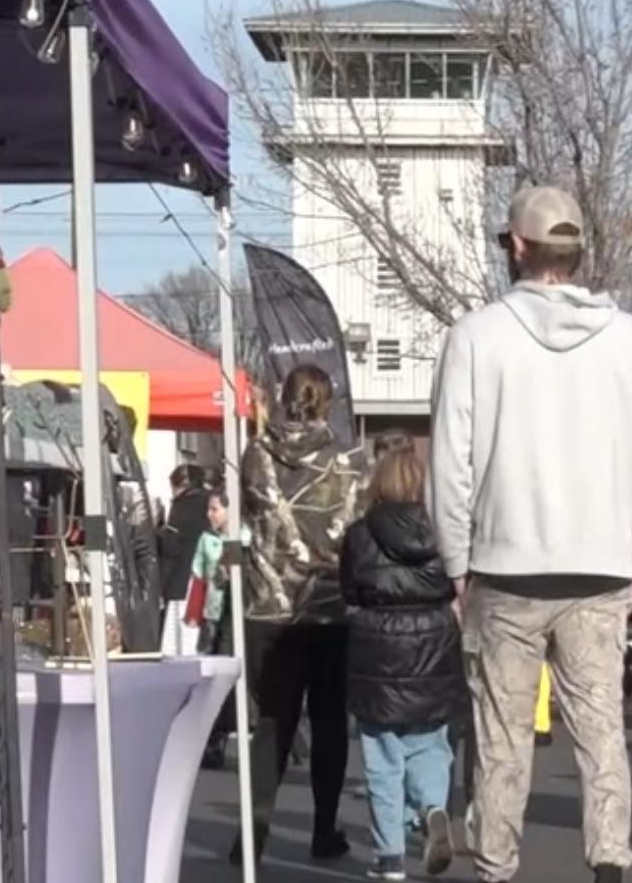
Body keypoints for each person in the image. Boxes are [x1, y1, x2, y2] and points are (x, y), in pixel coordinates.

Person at [429, 184, 632, 883]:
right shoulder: (629, 341)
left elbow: (450, 464)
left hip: (505, 567)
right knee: (601, 732)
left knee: (504, 741)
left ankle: (496, 868)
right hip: (600, 568)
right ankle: (607, 864)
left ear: (516, 245)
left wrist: (456, 559)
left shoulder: (475, 338)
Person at [234, 364, 367, 866]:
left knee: (272, 724)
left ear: (285, 398)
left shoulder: (256, 455)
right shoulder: (347, 462)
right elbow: (353, 530)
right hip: (328, 605)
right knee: (330, 721)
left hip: (270, 606)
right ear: (326, 402)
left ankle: (254, 831)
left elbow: (256, 516)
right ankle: (324, 829)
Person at [342, 431, 467, 883]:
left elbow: (349, 590)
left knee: (382, 757)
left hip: (377, 649)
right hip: (433, 644)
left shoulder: (360, 534)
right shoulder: (442, 532)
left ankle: (390, 857)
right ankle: (433, 806)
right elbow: (457, 583)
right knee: (430, 743)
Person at [158, 464, 210, 655]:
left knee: (177, 638)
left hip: (180, 580)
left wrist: (160, 532)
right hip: (203, 577)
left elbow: (172, 548)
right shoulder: (209, 503)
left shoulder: (181, 507)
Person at [184, 488, 230, 653]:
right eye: (208, 509)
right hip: (212, 613)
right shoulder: (206, 539)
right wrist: (194, 613)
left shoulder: (244, 537)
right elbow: (199, 577)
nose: (209, 514)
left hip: (235, 614)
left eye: (215, 509)